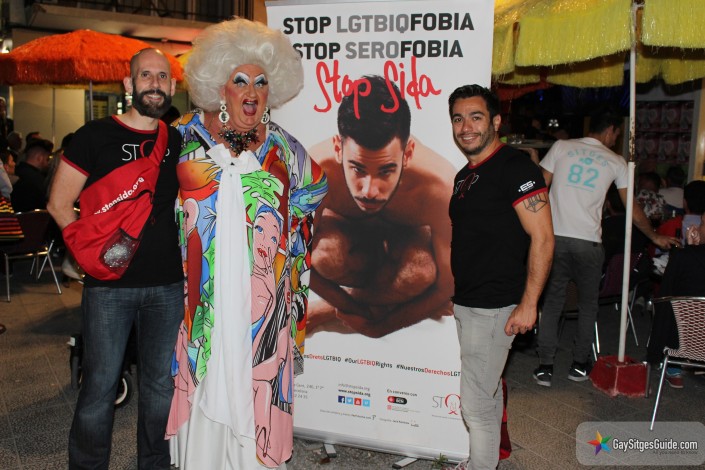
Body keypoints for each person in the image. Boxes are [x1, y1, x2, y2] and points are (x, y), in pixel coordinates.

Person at [165, 19, 327, 470]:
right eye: (240, 80)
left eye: (261, 81)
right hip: (205, 290)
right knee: (211, 361)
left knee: (254, 370)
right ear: (220, 88)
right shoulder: (185, 137)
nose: (252, 91)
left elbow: (315, 189)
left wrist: (287, 239)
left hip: (261, 293)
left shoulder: (283, 147)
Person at [47, 47, 183, 470]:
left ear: (173, 85)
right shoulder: (93, 136)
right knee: (100, 388)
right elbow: (58, 203)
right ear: (129, 83)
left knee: (160, 387)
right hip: (108, 288)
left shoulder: (177, 141)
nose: (155, 84)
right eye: (146, 75)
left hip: (167, 285)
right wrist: (89, 257)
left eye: (162, 76)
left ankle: (155, 464)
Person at [448, 84, 554, 470]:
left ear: (495, 121)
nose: (466, 127)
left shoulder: (516, 167)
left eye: (476, 117)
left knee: (475, 404)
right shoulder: (465, 175)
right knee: (487, 395)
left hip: (495, 305)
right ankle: (485, 461)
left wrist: (529, 303)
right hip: (469, 300)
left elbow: (543, 237)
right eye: (458, 119)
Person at [534, 109, 679, 387]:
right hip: (589, 243)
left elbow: (540, 190)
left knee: (552, 303)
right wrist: (653, 236)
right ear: (610, 130)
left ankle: (545, 367)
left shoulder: (561, 147)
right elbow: (631, 208)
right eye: (617, 133)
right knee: (588, 306)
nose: (616, 138)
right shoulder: (616, 161)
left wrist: (537, 231)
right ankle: (579, 365)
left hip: (555, 239)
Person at [306, 75, 455, 338]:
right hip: (349, 230)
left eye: (386, 171)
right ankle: (379, 297)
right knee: (324, 256)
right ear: (338, 149)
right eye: (357, 169)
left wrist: (382, 327)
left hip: (405, 233)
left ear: (407, 153)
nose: (369, 190)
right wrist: (352, 309)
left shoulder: (440, 186)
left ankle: (323, 310)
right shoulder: (314, 170)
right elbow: (296, 256)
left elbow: (447, 285)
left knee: (421, 273)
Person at [646, 215, 705, 389]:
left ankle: (673, 368)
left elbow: (667, 291)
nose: (698, 227)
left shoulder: (683, 257)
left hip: (688, 341)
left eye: (702, 223)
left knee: (672, 303)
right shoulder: (687, 256)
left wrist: (689, 250)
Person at [11, 137, 52, 212]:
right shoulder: (39, 180)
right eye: (47, 159)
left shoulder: (15, 172)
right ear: (40, 158)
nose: (48, 164)